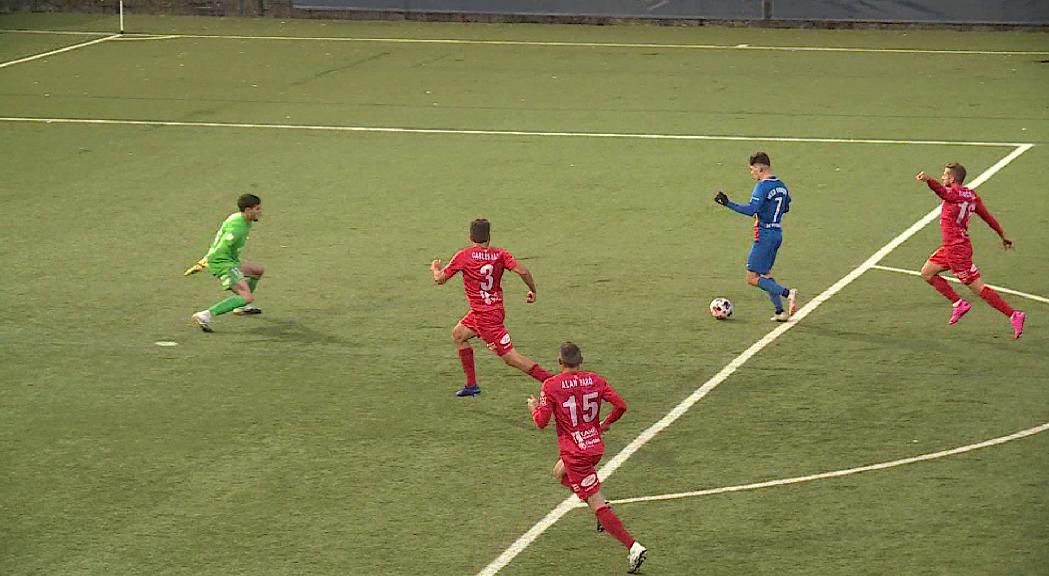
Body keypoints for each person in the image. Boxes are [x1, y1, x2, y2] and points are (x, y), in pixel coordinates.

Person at [527, 342, 647, 574]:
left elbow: (541, 422)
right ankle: (602, 509)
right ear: (581, 361)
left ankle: (633, 546)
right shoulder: (595, 379)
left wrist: (533, 407)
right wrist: (604, 424)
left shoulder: (551, 385)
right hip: (594, 446)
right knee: (559, 472)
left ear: (560, 362)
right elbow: (621, 405)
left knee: (595, 503)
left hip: (576, 452)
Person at [431, 219, 553, 397]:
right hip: (490, 311)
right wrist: (532, 290)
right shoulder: (500, 254)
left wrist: (435, 268)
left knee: (512, 359)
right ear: (489, 236)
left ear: (470, 237)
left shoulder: (463, 256)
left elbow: (440, 279)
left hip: (486, 319)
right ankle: (472, 384)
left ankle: (555, 382)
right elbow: (523, 271)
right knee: (458, 334)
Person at [916, 164, 1025, 338]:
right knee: (927, 273)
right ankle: (958, 303)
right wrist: (1002, 235)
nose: (943, 177)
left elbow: (944, 193)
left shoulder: (954, 194)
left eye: (945, 175)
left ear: (952, 178)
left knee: (978, 288)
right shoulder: (971, 196)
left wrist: (928, 180)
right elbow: (988, 217)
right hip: (952, 247)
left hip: (957, 251)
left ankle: (1014, 315)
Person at [715, 152, 799, 321]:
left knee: (752, 277)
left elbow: (751, 209)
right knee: (765, 274)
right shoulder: (782, 186)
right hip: (777, 233)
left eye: (752, 169)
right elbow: (786, 206)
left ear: (761, 168)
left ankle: (787, 293)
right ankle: (779, 311)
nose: (751, 173)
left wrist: (727, 203)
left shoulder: (762, 187)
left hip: (765, 235)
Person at [190, 194, 265, 332]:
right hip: (222, 263)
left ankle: (241, 306)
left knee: (257, 270)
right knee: (247, 297)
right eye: (257, 209)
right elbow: (222, 246)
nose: (260, 212)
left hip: (231, 260)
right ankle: (205, 315)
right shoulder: (237, 228)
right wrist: (204, 262)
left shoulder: (238, 217)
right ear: (248, 210)